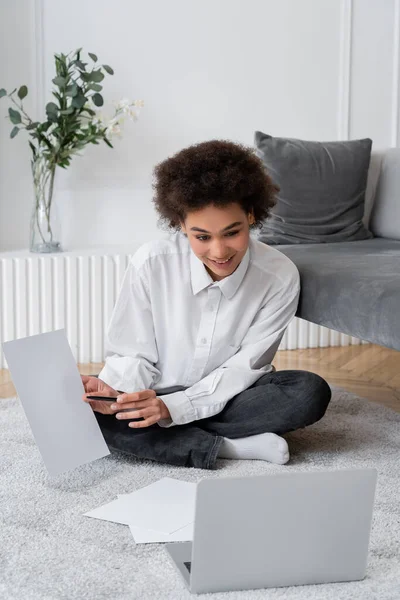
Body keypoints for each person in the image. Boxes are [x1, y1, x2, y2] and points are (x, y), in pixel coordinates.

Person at [81, 139, 332, 469]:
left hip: (229, 396)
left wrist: (175, 409)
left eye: (232, 232)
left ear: (251, 216)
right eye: (202, 236)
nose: (219, 251)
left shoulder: (279, 275)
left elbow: (247, 367)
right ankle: (229, 446)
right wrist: (118, 395)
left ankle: (174, 435)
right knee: (88, 415)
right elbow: (132, 352)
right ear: (181, 225)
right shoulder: (151, 263)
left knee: (308, 392)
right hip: (157, 390)